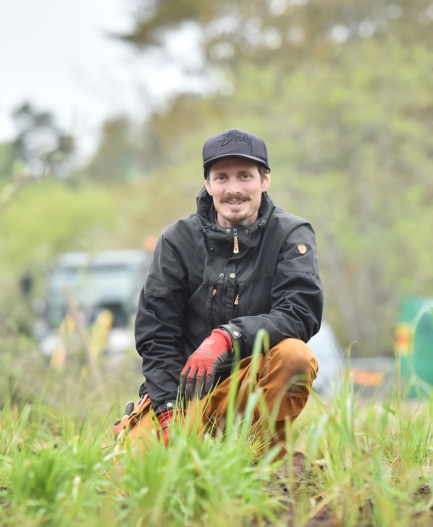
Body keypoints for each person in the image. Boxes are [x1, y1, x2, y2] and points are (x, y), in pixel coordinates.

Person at [114, 128, 323, 455]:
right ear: (208, 184)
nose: (234, 189)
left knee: (294, 356)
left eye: (245, 176)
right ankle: (157, 432)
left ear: (265, 180)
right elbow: (157, 334)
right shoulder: (176, 241)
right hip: (186, 396)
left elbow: (299, 313)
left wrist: (227, 337)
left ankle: (260, 459)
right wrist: (168, 411)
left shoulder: (290, 234)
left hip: (249, 386)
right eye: (222, 178)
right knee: (136, 474)